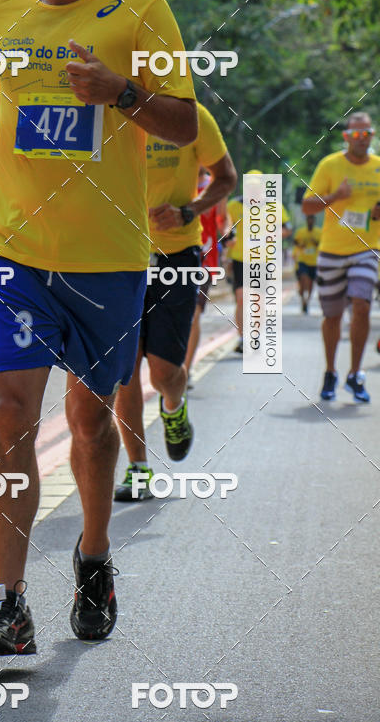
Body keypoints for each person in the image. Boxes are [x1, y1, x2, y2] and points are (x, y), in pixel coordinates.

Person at [0, 0, 197, 654]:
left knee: (90, 424)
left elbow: (183, 125)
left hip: (110, 258)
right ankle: (7, 603)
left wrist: (119, 92)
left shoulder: (142, 7)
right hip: (16, 250)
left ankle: (94, 560)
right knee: (10, 416)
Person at [113, 104, 236, 501]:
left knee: (164, 373)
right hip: (116, 257)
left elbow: (225, 177)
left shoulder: (191, 116)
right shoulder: (111, 109)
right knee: (125, 371)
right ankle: (139, 468)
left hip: (176, 258)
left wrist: (188, 212)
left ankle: (174, 404)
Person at [302, 112, 380, 402]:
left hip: (367, 248)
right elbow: (308, 207)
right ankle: (331, 371)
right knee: (332, 316)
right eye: (355, 134)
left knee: (361, 305)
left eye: (366, 134)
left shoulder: (378, 167)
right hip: (332, 251)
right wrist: (335, 196)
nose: (361, 139)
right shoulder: (330, 165)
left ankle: (355, 374)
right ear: (347, 137)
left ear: (371, 136)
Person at [227, 171, 291, 353]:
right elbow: (226, 226)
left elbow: (286, 229)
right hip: (240, 258)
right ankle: (241, 338)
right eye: (250, 187)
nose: (252, 191)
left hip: (263, 260)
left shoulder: (274, 206)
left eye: (256, 187)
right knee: (241, 298)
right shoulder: (234, 205)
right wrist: (228, 238)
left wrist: (273, 234)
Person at [184, 168, 231, 389]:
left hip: (205, 259)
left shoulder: (215, 185)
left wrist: (227, 229)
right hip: (172, 256)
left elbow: (223, 218)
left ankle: (185, 369)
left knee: (194, 314)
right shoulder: (175, 178)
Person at [293, 214, 321, 313]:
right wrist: (301, 244)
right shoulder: (300, 231)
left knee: (310, 284)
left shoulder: (319, 232)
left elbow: (322, 244)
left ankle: (307, 301)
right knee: (304, 280)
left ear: (314, 221)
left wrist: (316, 243)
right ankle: (302, 298)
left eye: (312, 220)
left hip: (314, 262)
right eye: (309, 219)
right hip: (302, 260)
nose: (310, 222)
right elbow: (295, 242)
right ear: (306, 221)